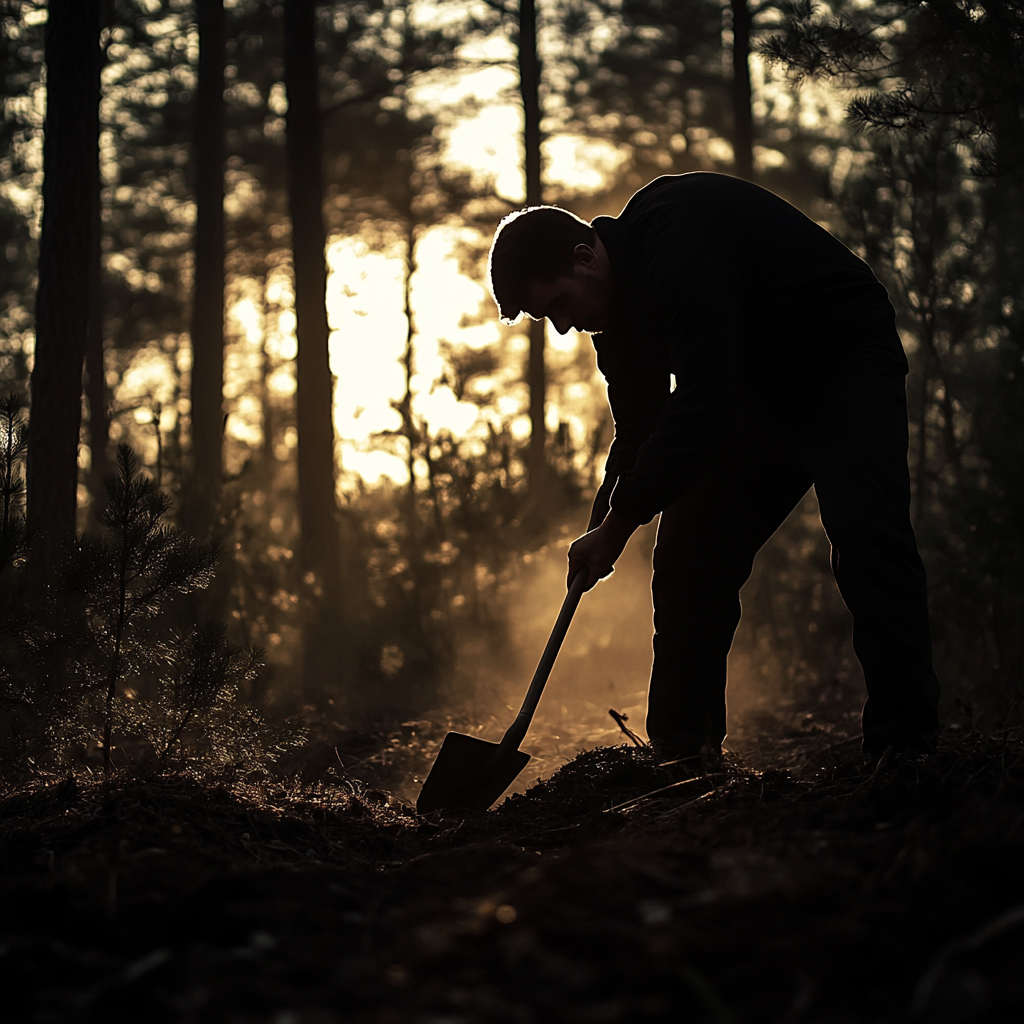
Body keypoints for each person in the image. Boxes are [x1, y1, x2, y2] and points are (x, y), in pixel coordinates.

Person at [487, 172, 940, 762]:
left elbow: (703, 406)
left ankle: (904, 748)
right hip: (752, 391)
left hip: (840, 358)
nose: (566, 326)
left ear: (585, 257)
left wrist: (620, 526)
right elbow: (638, 432)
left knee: (865, 536)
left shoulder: (679, 239)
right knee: (689, 556)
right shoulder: (615, 321)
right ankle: (681, 753)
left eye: (560, 306)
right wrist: (602, 525)